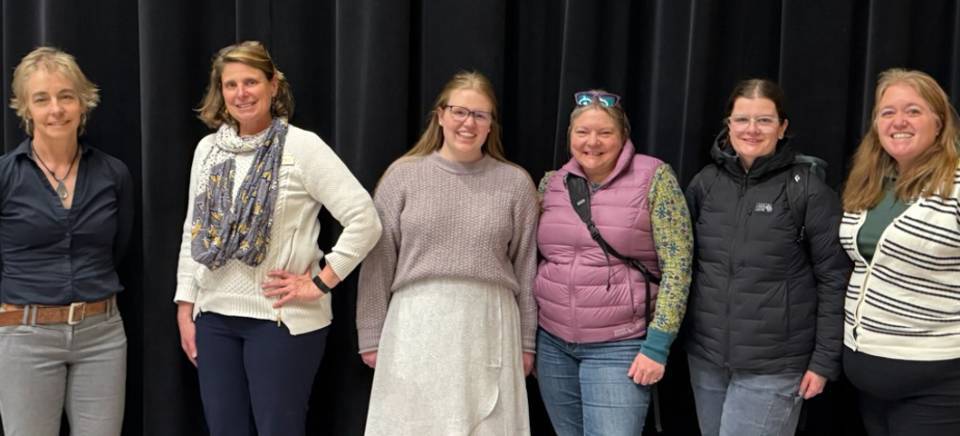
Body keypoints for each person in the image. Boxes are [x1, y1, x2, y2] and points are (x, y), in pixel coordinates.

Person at [174, 41, 381, 436]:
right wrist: (186, 305)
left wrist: (321, 281)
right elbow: (192, 231)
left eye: (251, 81)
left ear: (272, 86)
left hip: (281, 320)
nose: (241, 93)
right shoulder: (208, 150)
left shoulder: (301, 147)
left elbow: (365, 220)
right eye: (231, 84)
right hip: (214, 315)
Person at [356, 71, 538, 436]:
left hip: (489, 326)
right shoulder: (402, 176)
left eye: (480, 115)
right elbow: (378, 262)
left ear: (491, 126)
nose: (468, 123)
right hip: (415, 327)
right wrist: (370, 333)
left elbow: (526, 267)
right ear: (440, 115)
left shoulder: (515, 183)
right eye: (459, 112)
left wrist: (526, 340)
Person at [683, 79, 851, 436]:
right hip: (708, 361)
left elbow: (835, 279)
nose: (752, 130)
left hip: (774, 367)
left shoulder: (806, 189)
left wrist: (824, 361)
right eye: (742, 119)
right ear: (728, 125)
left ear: (783, 127)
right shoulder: (705, 183)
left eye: (764, 120)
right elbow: (682, 266)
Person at [533, 90, 693, 435]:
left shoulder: (655, 178)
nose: (593, 142)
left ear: (623, 136)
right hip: (553, 344)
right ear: (569, 137)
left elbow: (678, 266)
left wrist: (657, 345)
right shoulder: (552, 183)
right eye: (582, 132)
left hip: (618, 346)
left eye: (605, 133)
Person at [0, 47, 133, 436]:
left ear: (83, 102)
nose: (56, 109)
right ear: (25, 108)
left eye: (66, 96)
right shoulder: (6, 176)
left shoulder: (113, 173)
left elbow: (120, 246)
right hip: (25, 336)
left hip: (102, 335)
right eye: (42, 99)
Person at [840, 68, 960, 436]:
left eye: (913, 110)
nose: (899, 121)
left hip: (935, 383)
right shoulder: (869, 185)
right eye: (887, 112)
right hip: (869, 382)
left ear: (938, 122)